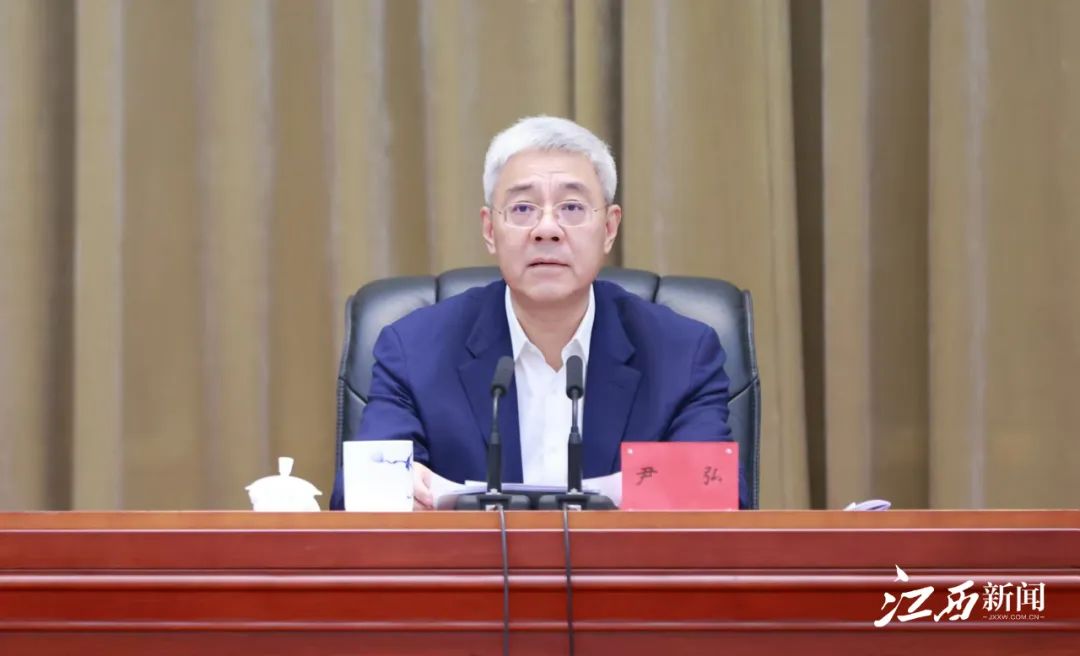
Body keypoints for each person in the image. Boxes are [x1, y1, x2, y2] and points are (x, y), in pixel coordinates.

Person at [336, 115, 748, 509]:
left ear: (609, 228)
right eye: (522, 209)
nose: (546, 229)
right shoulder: (414, 351)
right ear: (489, 230)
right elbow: (356, 499)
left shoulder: (681, 354)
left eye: (572, 208)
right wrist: (393, 492)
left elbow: (718, 500)